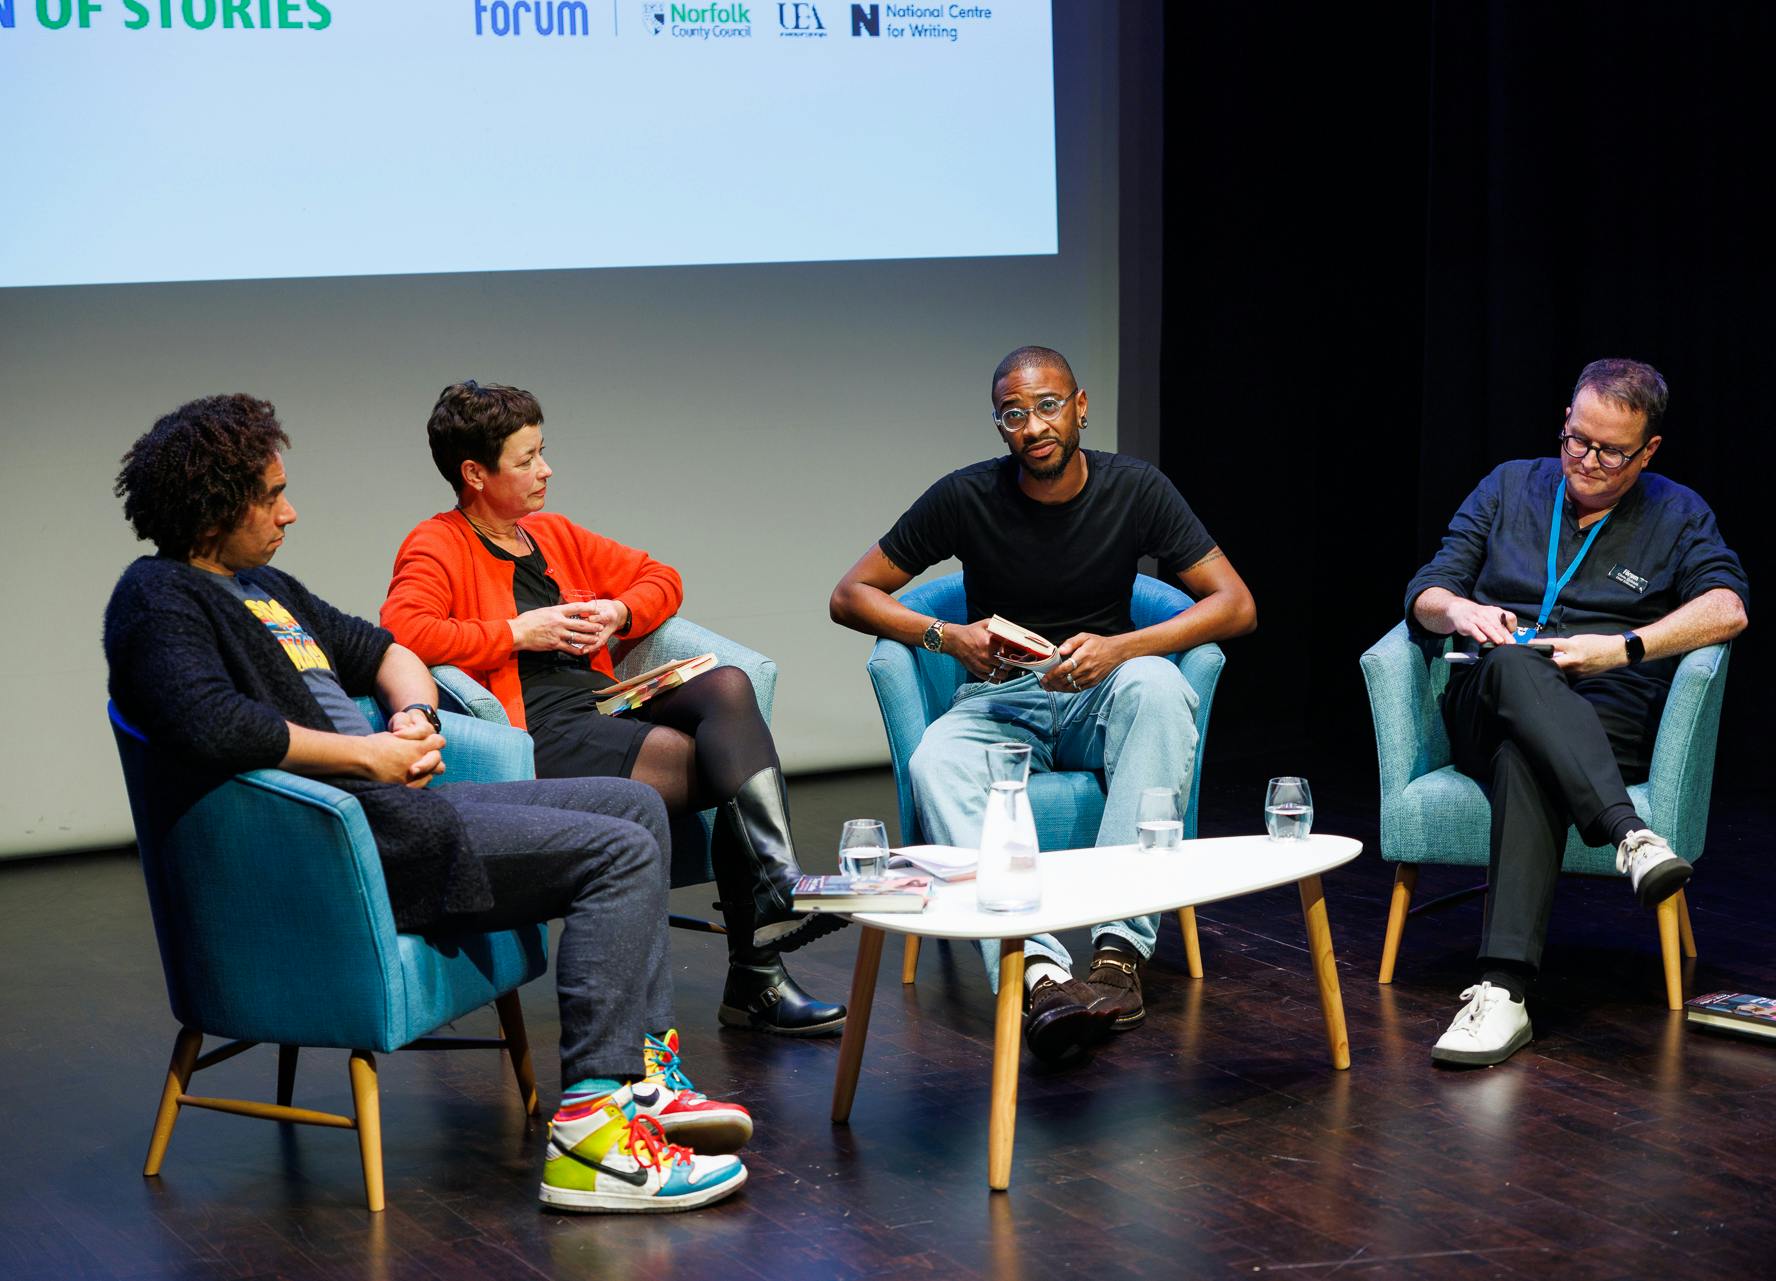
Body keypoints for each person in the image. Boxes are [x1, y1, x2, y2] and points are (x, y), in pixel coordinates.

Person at [105, 394, 751, 1213]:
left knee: (635, 807)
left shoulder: (264, 586)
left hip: (400, 814)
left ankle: (641, 1078)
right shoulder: (158, 600)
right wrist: (367, 753)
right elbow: (211, 724)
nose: (289, 510)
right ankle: (592, 1138)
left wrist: (411, 716)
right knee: (616, 852)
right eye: (271, 495)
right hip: (352, 850)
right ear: (213, 507)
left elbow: (387, 647)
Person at [828, 346, 1257, 1062]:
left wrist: (1124, 648)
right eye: (1014, 413)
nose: (1034, 426)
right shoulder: (967, 496)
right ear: (1000, 426)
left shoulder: (1136, 488)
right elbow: (850, 595)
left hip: (1105, 689)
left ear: (1081, 406)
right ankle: (1040, 970)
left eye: (1049, 406)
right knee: (936, 758)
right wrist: (947, 635)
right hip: (1005, 697)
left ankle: (1119, 951)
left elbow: (1236, 604)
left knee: (1160, 686)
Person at [381, 381, 846, 1038]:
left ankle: (776, 891)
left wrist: (619, 611)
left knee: (730, 686)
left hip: (601, 708)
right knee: (718, 759)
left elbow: (662, 576)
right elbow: (405, 631)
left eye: (544, 451)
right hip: (537, 735)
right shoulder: (437, 544)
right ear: (475, 474)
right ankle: (758, 971)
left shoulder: (551, 534)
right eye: (527, 459)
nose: (546, 470)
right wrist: (519, 631)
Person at [1404, 358, 1750, 1067]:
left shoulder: (1678, 512)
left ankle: (1501, 993)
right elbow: (1427, 590)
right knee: (1511, 663)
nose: (1586, 461)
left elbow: (1728, 607)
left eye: (1610, 451)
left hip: (1604, 711)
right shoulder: (1508, 485)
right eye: (1576, 440)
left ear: (1648, 450)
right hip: (1488, 694)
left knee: (1526, 754)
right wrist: (1463, 609)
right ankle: (1630, 835)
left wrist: (1622, 648)